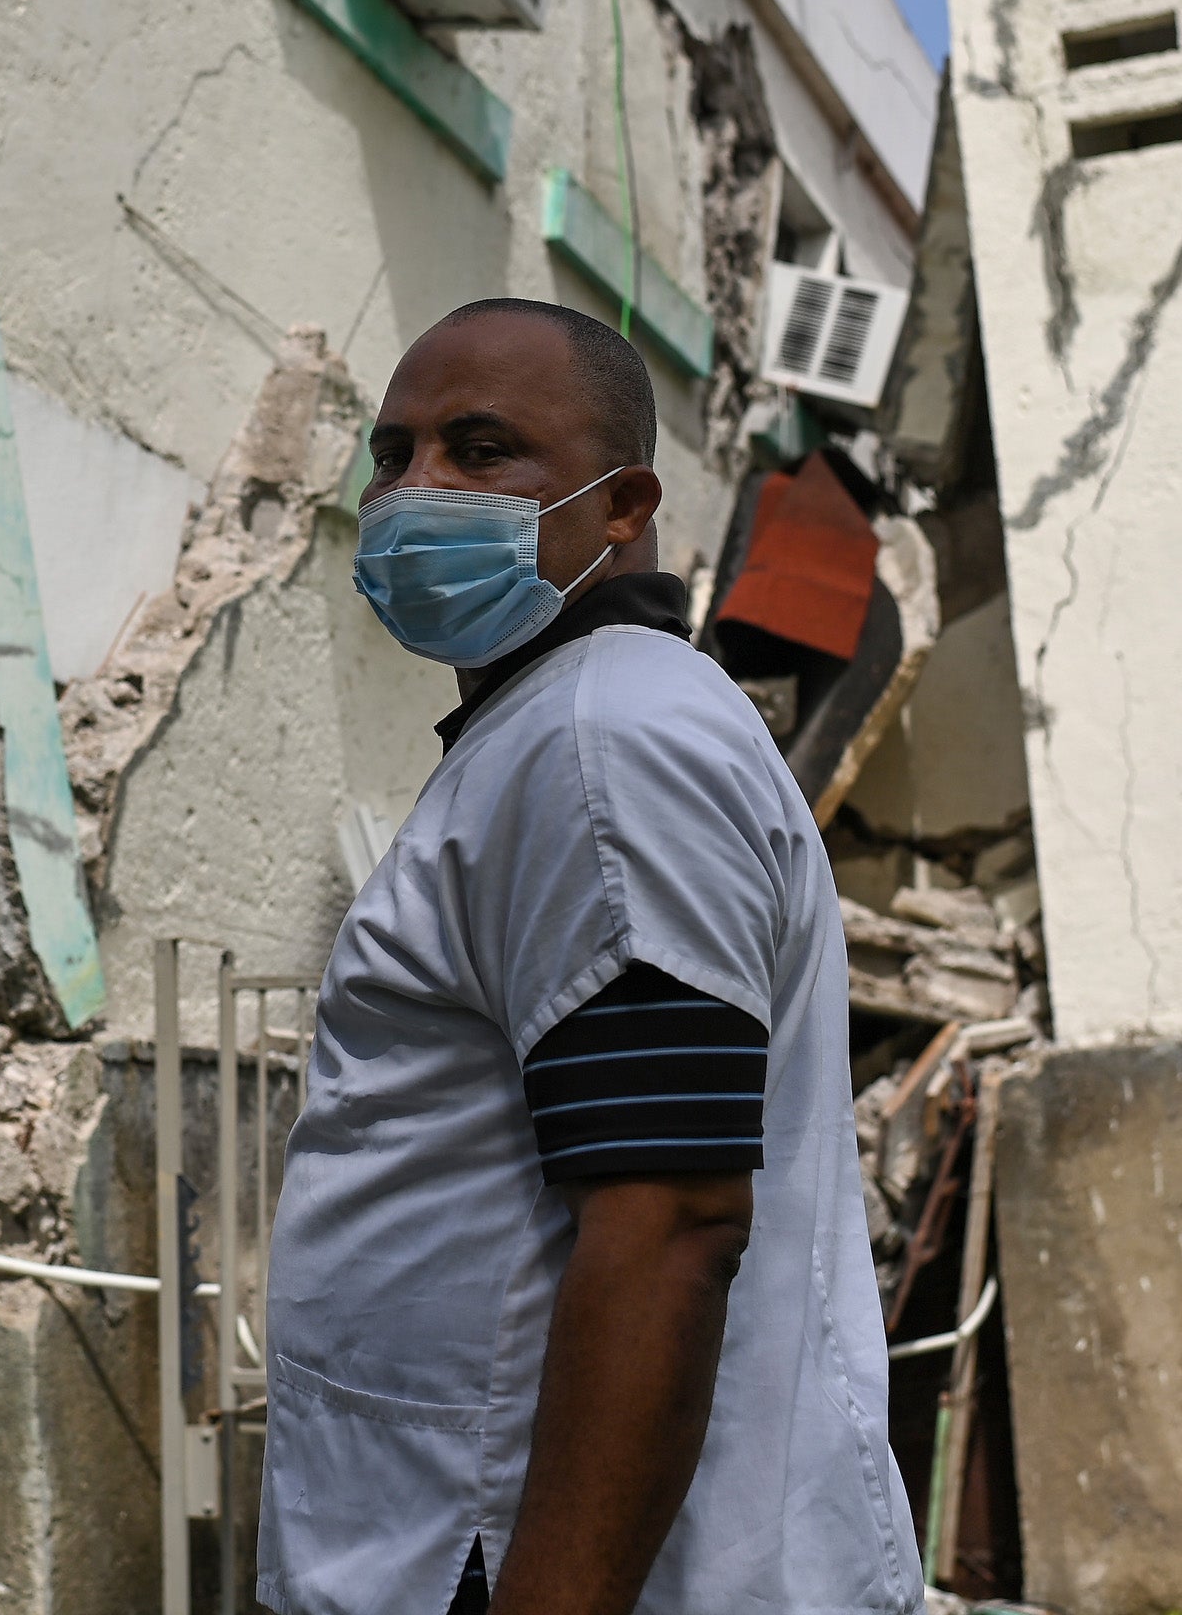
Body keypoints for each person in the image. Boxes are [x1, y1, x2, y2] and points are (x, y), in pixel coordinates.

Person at [256, 299, 920, 1615]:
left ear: (625, 509)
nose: (414, 488)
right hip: (445, 1538)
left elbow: (671, 1222)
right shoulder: (553, 735)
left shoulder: (602, 744)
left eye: (482, 447)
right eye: (392, 453)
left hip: (521, 1564)